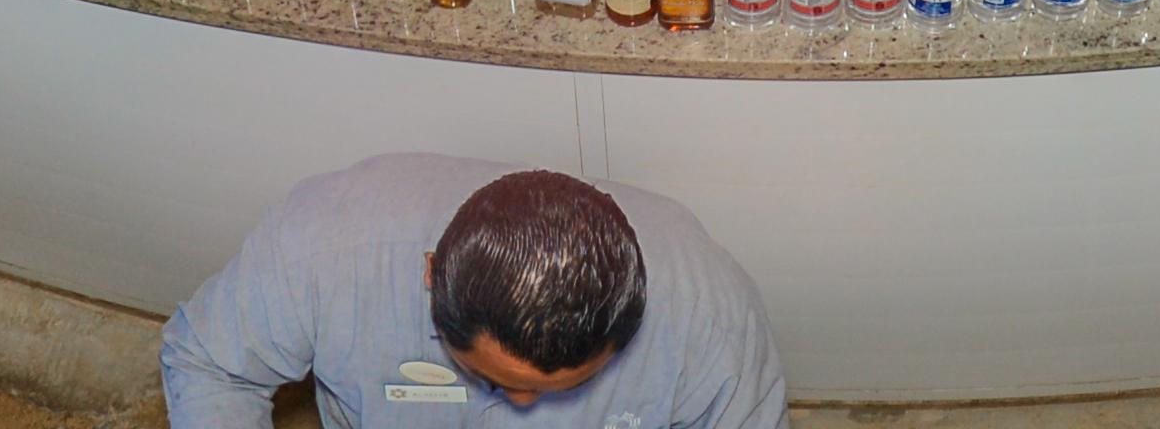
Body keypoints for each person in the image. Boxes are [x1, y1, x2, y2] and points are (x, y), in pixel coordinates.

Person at [164, 155, 783, 429]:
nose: (519, 404)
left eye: (558, 389)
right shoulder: (322, 250)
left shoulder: (709, 318)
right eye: (491, 376)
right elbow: (210, 363)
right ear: (433, 274)